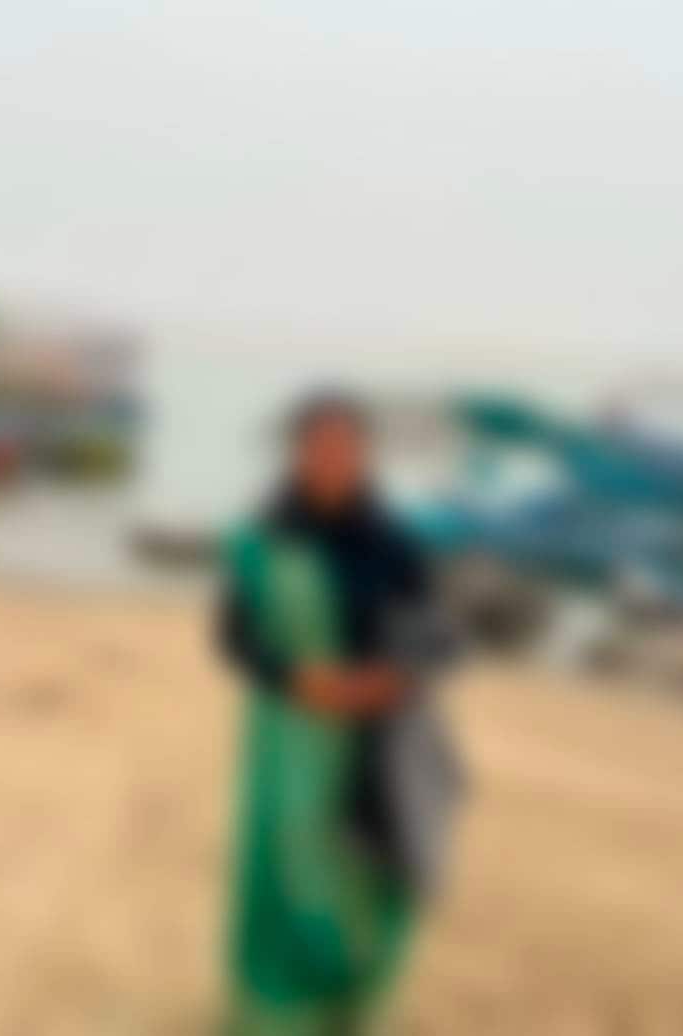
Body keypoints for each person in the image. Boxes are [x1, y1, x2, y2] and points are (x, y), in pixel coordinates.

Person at [218, 391, 433, 1034]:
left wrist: (393, 678)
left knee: (365, 872)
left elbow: (431, 637)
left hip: (378, 735)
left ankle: (351, 1000)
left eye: (346, 447)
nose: (332, 458)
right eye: (319, 446)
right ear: (297, 453)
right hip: (290, 734)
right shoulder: (262, 540)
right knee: (287, 866)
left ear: (365, 455)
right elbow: (233, 638)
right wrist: (294, 678)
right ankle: (274, 1006)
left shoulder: (396, 545)